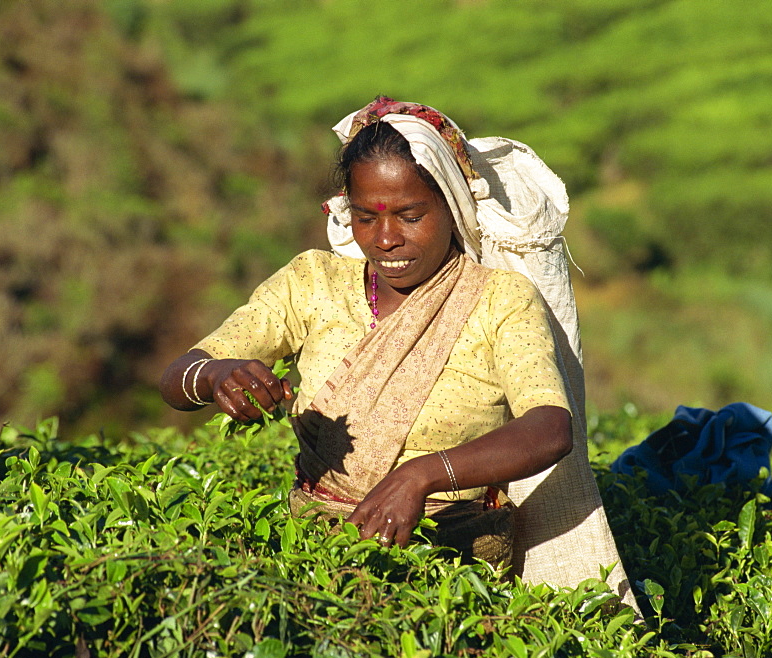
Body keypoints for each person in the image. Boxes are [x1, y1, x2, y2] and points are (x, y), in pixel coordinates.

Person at [160, 96, 638, 611]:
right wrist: (215, 377)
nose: (386, 239)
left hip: (454, 571)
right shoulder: (314, 282)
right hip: (313, 560)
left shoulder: (497, 299)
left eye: (411, 216)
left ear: (451, 209)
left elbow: (549, 428)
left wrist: (422, 475)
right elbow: (179, 376)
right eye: (367, 218)